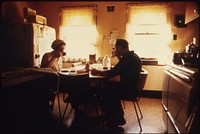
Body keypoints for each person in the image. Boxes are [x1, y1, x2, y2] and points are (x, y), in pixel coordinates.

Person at [91, 39, 142, 128]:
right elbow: (121, 68)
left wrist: (96, 71)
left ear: (118, 47)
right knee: (108, 86)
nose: (114, 49)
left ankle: (114, 118)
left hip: (128, 89)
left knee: (103, 91)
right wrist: (118, 56)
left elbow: (111, 73)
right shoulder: (133, 56)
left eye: (115, 47)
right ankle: (115, 116)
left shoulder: (127, 58)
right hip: (132, 87)